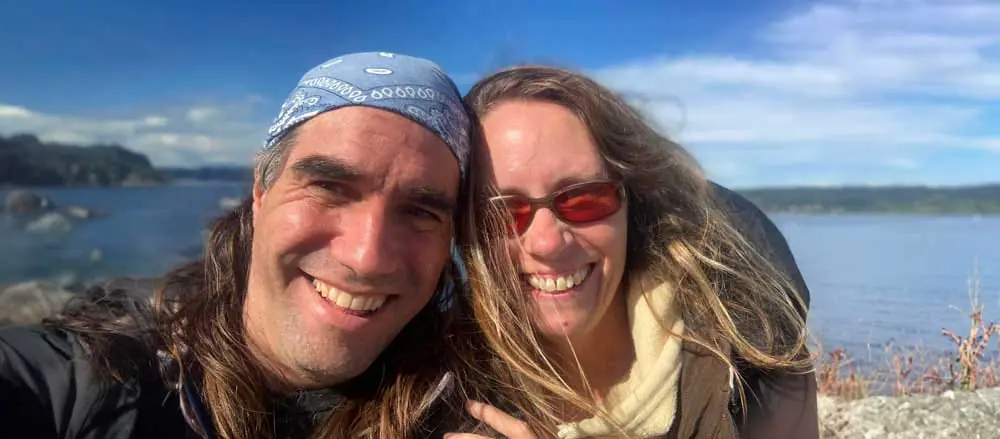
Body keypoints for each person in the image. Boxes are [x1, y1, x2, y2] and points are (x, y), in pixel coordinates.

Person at [0, 52, 483, 439]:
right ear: (260, 192)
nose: (366, 257)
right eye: (329, 188)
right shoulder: (96, 379)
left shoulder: (473, 407)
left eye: (421, 211)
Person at [447, 66, 819, 438]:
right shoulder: (444, 387)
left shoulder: (750, 352)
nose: (547, 243)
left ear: (632, 203)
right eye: (501, 212)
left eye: (583, 199)